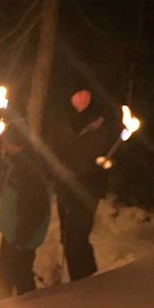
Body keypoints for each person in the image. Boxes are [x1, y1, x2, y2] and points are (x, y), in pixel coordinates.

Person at [48, 87, 120, 281]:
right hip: (65, 184)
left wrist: (106, 163)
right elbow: (51, 148)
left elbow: (110, 148)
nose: (83, 98)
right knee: (67, 237)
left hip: (88, 185)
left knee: (77, 237)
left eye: (87, 94)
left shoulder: (100, 121)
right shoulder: (59, 119)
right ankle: (86, 279)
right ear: (70, 96)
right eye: (79, 94)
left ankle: (84, 282)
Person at [0, 119, 51, 299]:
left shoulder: (29, 169)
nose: (3, 145)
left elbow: (36, 208)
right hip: (13, 232)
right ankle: (0, 306)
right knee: (7, 274)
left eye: (6, 142)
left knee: (17, 275)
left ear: (15, 143)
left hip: (21, 235)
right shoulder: (18, 162)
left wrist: (21, 237)